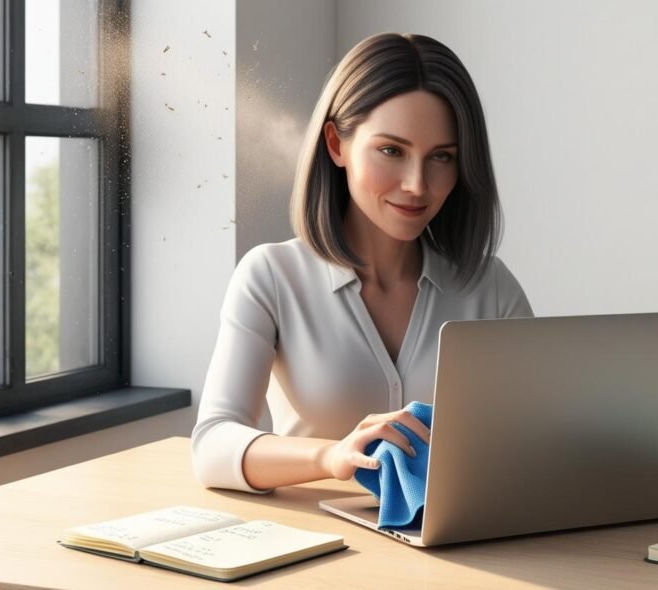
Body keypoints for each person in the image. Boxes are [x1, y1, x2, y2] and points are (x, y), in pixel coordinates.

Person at [191, 32, 533, 494]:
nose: (417, 184)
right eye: (391, 150)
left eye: (442, 157)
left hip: (460, 557)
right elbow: (212, 446)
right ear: (336, 144)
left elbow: (533, 442)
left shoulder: (489, 287)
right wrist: (331, 456)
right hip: (315, 552)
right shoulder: (271, 277)